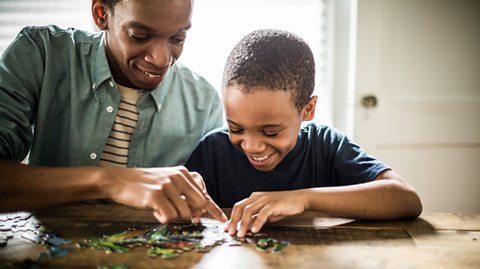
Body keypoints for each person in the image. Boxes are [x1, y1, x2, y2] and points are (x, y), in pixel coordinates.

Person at [0, 0, 228, 224]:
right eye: (140, 36)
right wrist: (110, 182)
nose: (161, 60)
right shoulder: (42, 54)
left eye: (178, 38)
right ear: (101, 15)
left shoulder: (204, 102)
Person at [185, 29, 423, 237]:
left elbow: (406, 200)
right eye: (236, 128)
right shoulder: (213, 150)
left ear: (308, 109)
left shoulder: (326, 146)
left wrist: (303, 198)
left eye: (270, 132)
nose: (251, 146)